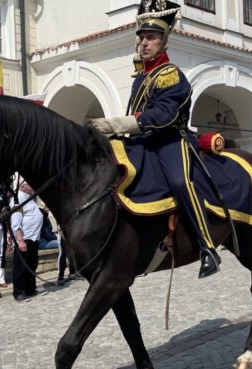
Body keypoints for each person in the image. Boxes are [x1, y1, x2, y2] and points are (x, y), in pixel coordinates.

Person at [86, 0, 221, 278]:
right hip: (143, 141)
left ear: (164, 41)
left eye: (151, 38)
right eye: (142, 38)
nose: (144, 43)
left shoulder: (170, 75)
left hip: (171, 140)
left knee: (179, 182)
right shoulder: (141, 78)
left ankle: (207, 246)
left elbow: (163, 115)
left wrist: (117, 124)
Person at [10, 182, 43, 302]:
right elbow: (15, 221)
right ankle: (19, 292)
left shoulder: (29, 198)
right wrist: (20, 240)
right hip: (24, 238)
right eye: (30, 185)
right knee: (20, 266)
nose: (34, 187)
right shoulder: (18, 199)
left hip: (33, 237)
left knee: (31, 264)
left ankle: (30, 289)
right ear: (23, 186)